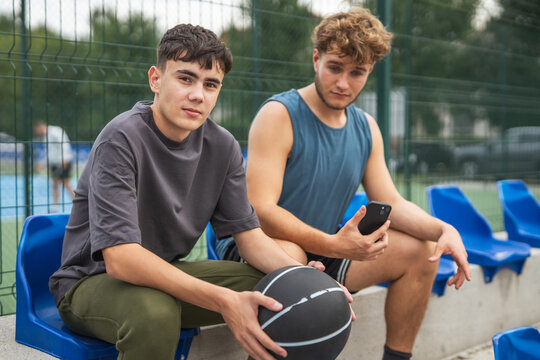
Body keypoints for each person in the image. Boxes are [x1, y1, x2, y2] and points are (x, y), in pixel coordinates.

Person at [48, 24, 343, 360]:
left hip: (163, 273)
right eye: (185, 78)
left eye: (211, 84)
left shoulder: (223, 146)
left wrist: (308, 282)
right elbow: (121, 260)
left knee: (285, 288)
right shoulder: (121, 139)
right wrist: (222, 299)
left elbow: (249, 237)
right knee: (154, 314)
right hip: (90, 284)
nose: (198, 95)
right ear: (156, 80)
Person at [217, 8, 472, 360]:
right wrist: (333, 245)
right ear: (316, 58)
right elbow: (259, 211)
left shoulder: (366, 127)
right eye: (335, 67)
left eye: (357, 73)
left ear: (370, 72)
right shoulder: (279, 115)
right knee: (293, 258)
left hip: (323, 250)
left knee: (420, 252)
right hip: (255, 248)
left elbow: (392, 202)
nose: (343, 83)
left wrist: (444, 229)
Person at [33, 120, 76, 207]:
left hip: (63, 161)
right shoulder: (46, 136)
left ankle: (77, 202)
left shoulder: (54, 131)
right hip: (55, 163)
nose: (36, 132)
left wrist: (63, 159)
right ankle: (55, 206)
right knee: (55, 184)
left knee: (66, 183)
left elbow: (64, 144)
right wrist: (42, 164)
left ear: (40, 127)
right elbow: (49, 153)